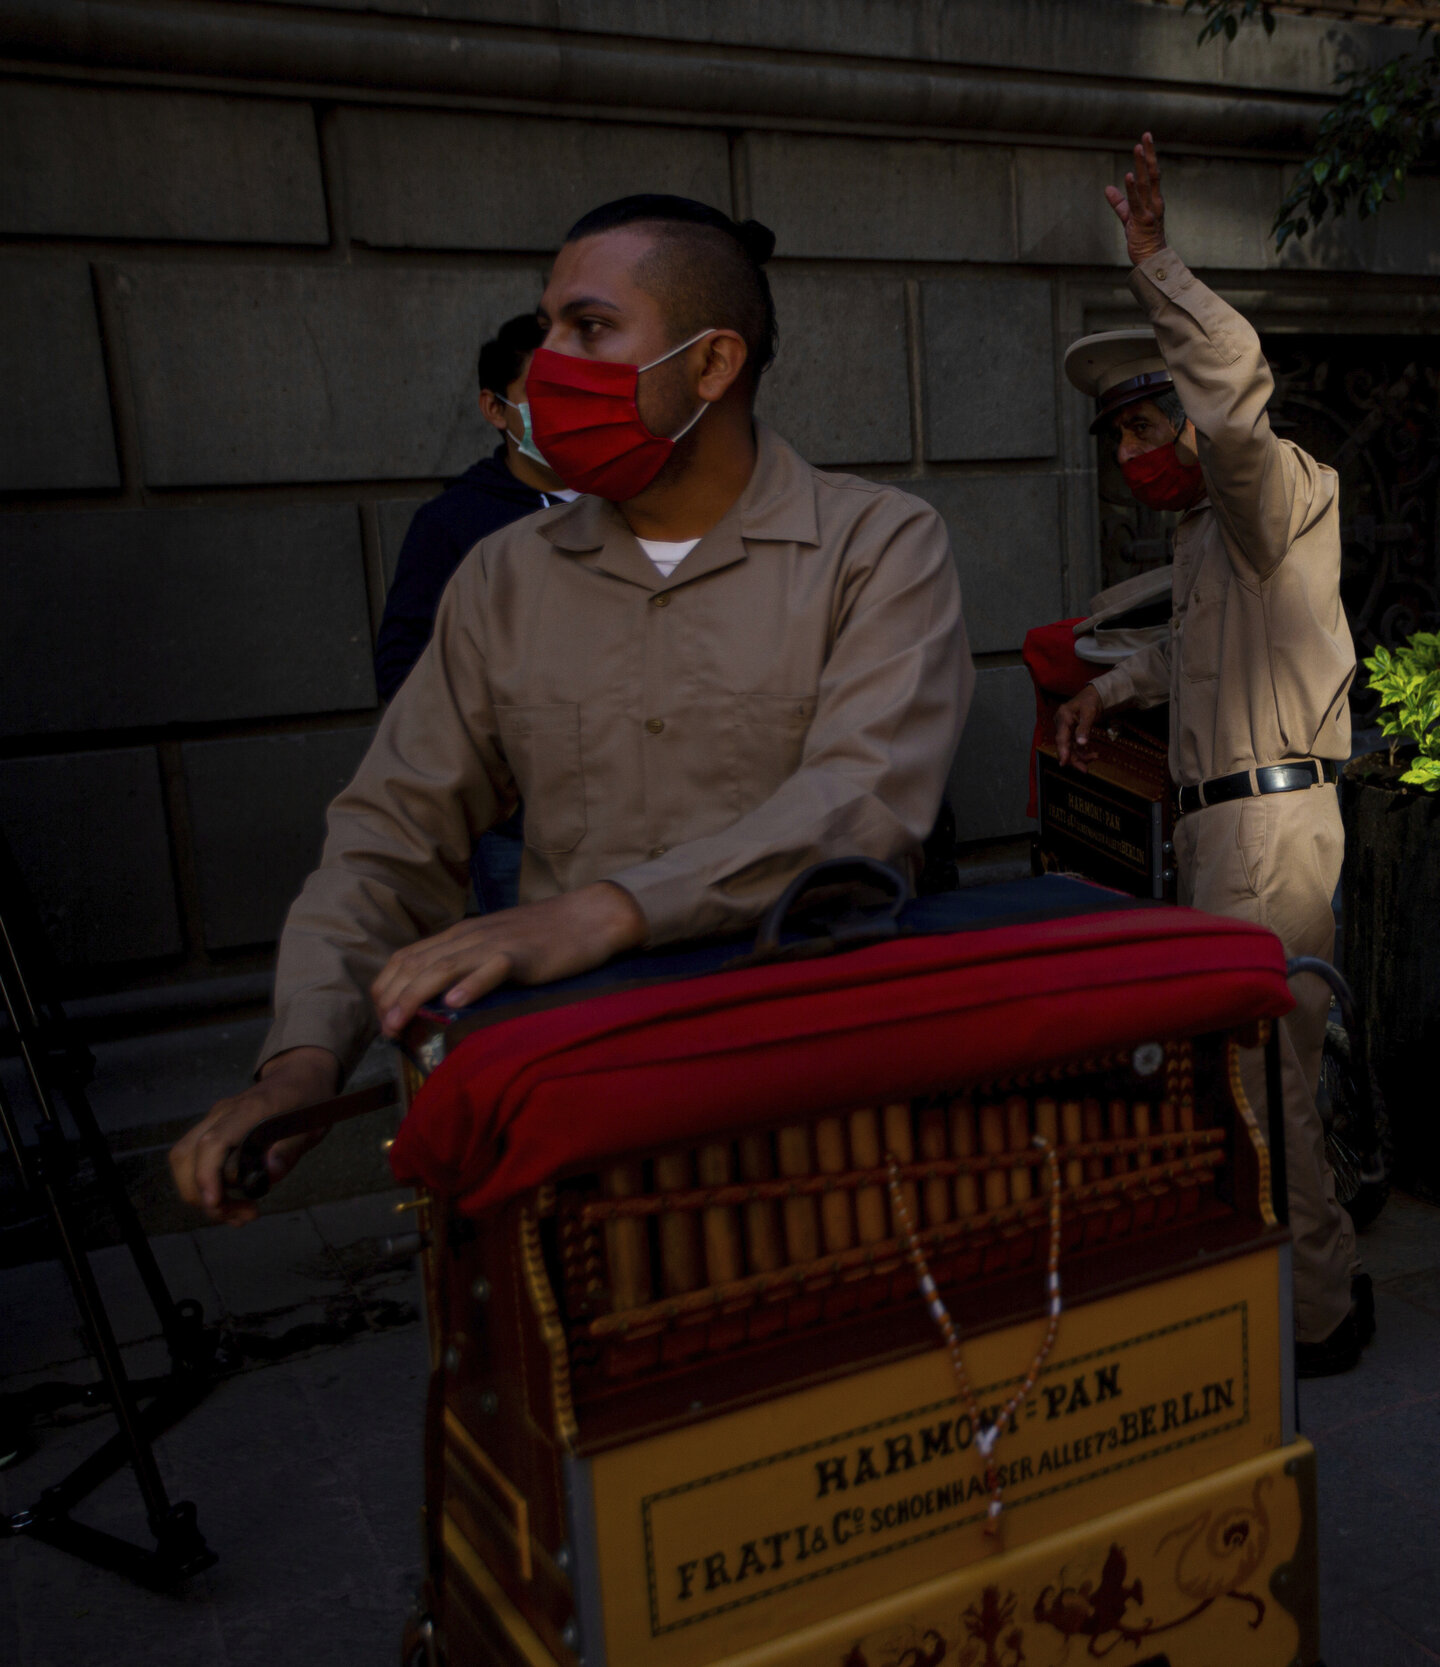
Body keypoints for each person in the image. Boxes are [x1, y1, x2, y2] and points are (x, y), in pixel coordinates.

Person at [170, 194, 973, 1222]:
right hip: (578, 1120)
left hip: (811, 1106)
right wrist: (300, 1059)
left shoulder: (879, 545)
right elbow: (387, 832)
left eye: (588, 328)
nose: (548, 360)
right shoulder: (502, 576)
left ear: (712, 363)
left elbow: (859, 804)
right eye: (547, 325)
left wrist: (598, 912)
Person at [1052, 133, 1369, 1377]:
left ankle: (1319, 1312)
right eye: (1118, 428)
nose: (1136, 447)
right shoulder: (1200, 548)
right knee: (1253, 1073)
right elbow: (1194, 662)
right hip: (1219, 831)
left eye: (1149, 417)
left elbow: (1233, 380)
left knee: (1265, 1082)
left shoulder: (1269, 492)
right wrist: (1107, 691)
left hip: (1262, 833)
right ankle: (1287, 1285)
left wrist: (1155, 264)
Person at [373, 312, 578, 912]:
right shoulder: (454, 524)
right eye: (544, 394)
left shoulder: (638, 504)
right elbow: (405, 666)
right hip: (525, 825)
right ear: (496, 410)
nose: (566, 410)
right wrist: (498, 766)